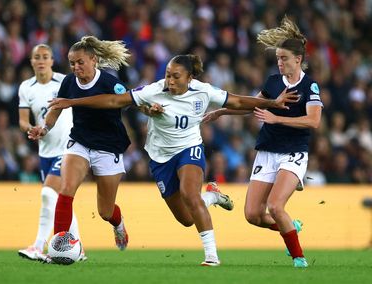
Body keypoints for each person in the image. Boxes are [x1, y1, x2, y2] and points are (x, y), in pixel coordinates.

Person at [46, 53, 299, 266]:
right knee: (186, 219)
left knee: (190, 194)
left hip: (189, 149)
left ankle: (211, 256)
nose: (170, 80)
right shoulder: (154, 90)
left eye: (176, 76)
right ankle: (211, 196)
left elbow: (239, 101)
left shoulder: (204, 91)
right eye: (168, 74)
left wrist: (272, 102)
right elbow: (115, 100)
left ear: (190, 78)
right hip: (160, 158)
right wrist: (72, 102)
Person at [204, 16, 323, 268]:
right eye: (278, 58)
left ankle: (299, 258)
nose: (279, 62)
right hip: (267, 151)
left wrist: (276, 119)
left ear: (298, 60)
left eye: (284, 58)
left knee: (275, 206)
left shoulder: (310, 86)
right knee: (253, 215)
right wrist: (222, 112)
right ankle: (291, 228)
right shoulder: (272, 82)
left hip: (293, 153)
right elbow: (252, 105)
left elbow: (313, 121)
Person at [28, 36, 131, 259]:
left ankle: (118, 223)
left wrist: (150, 107)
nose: (75, 67)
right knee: (65, 191)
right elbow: (56, 108)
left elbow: (126, 100)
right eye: (72, 63)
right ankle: (58, 248)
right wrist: (44, 128)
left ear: (93, 60)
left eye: (80, 62)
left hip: (108, 147)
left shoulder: (109, 81)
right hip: (80, 142)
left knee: (105, 211)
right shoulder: (69, 82)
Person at [18, 44, 85, 261]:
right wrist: (32, 129)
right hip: (45, 152)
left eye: (45, 56)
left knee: (48, 194)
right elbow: (22, 120)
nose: (41, 60)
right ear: (31, 61)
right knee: (60, 199)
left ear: (52, 61)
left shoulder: (65, 81)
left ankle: (38, 246)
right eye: (36, 57)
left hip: (68, 149)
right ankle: (78, 248)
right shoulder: (26, 87)